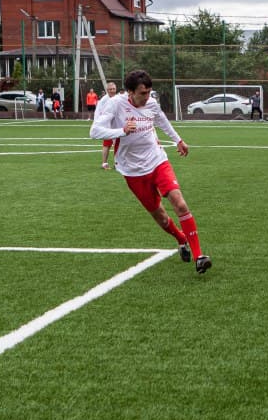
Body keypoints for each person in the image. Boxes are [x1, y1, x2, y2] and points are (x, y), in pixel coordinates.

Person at [89, 69, 211, 274]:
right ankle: (180, 239)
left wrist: (178, 140)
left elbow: (161, 119)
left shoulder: (151, 103)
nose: (147, 97)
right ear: (130, 92)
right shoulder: (116, 104)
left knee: (180, 203)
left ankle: (199, 256)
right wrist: (121, 131)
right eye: (142, 93)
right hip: (133, 170)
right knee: (161, 217)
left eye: (149, 92)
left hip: (157, 161)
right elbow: (94, 131)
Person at [100, 81, 121, 169]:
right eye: (110, 89)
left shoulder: (118, 98)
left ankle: (117, 163)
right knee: (107, 144)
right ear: (107, 90)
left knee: (118, 144)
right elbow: (101, 112)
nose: (112, 90)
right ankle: (104, 163)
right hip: (107, 126)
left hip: (116, 125)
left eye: (114, 89)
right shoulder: (104, 100)